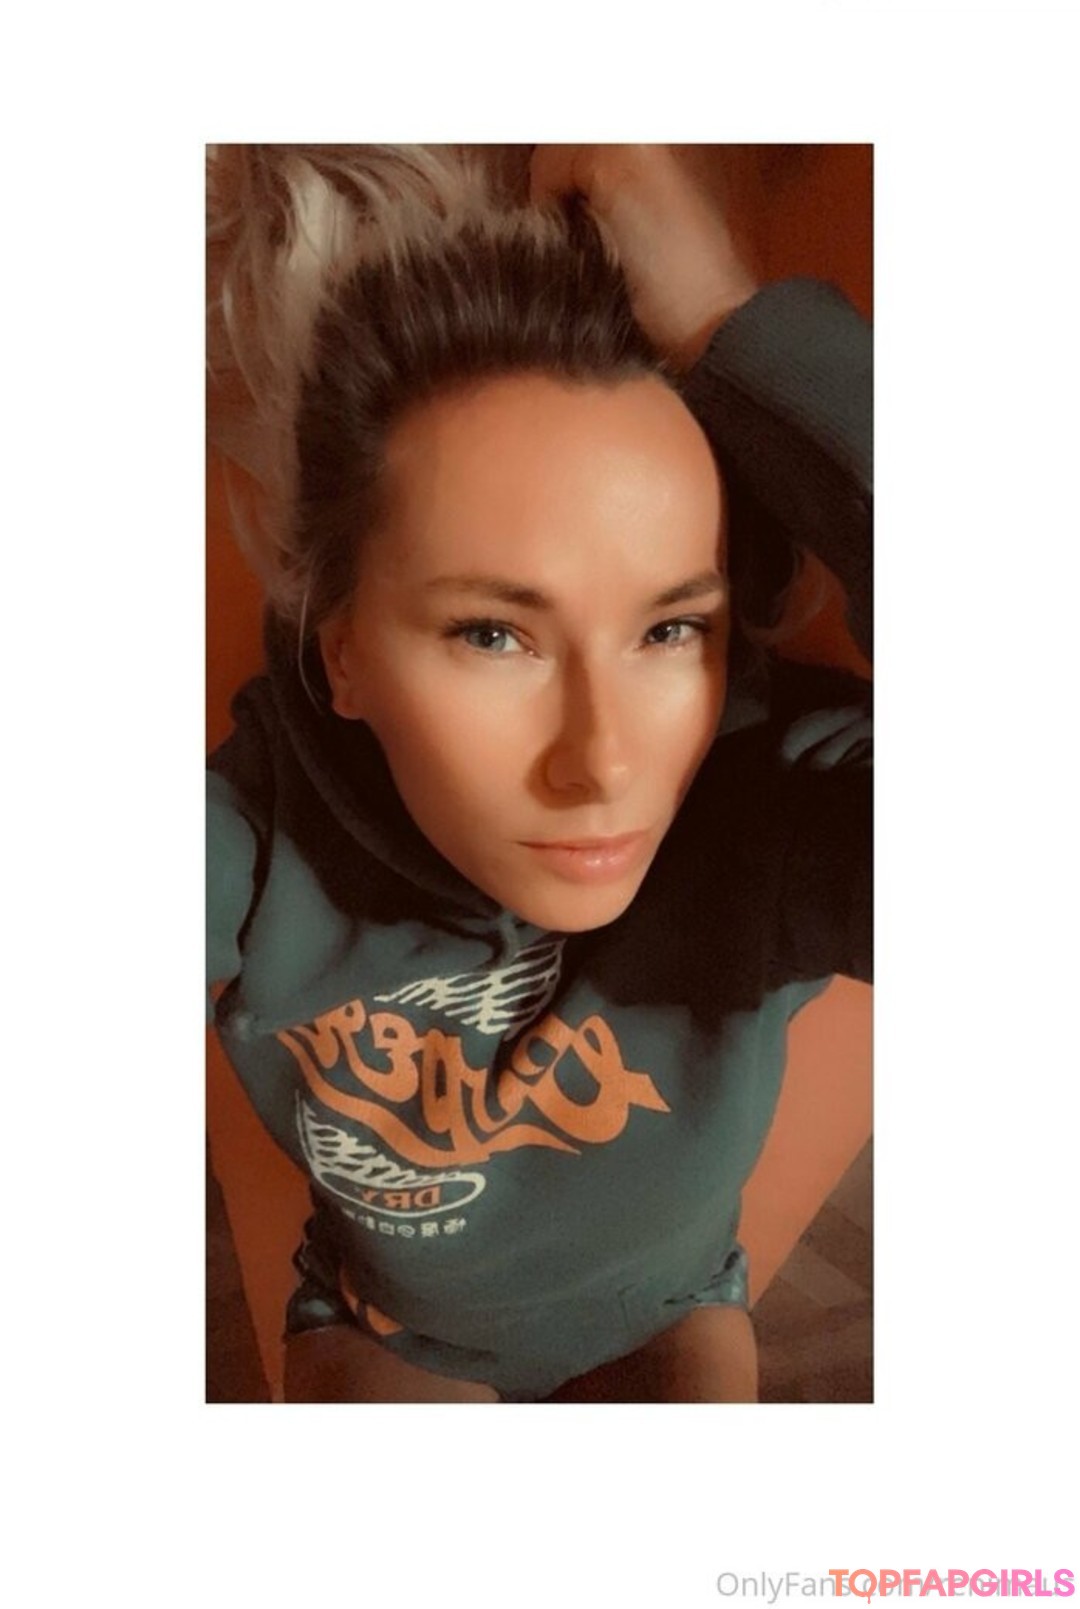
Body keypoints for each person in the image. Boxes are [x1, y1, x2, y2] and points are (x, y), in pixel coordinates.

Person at [206, 143, 872, 1403]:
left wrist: (733, 325)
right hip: (381, 1325)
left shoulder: (772, 817)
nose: (602, 760)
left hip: (671, 1310)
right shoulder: (255, 829)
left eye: (669, 629)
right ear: (343, 651)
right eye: (492, 634)